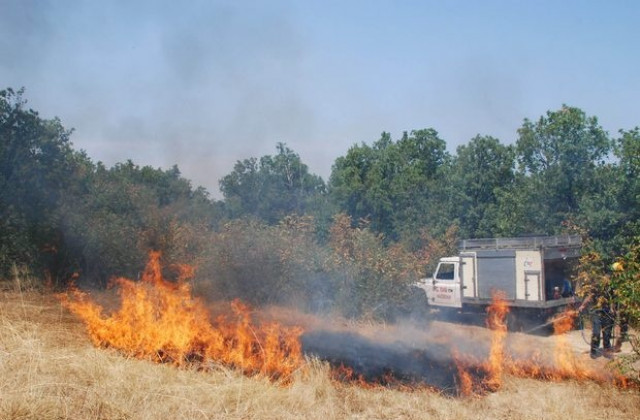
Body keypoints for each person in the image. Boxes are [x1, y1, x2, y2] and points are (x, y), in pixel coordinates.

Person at [578, 279, 615, 359]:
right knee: (596, 332)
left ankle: (607, 350)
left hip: (607, 312)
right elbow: (589, 296)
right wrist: (583, 305)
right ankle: (594, 350)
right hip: (596, 312)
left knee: (607, 333)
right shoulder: (596, 287)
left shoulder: (610, 287)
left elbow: (612, 298)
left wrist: (612, 309)